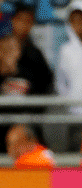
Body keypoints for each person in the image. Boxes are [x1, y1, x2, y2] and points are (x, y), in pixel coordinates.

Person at [56, 0, 82, 152]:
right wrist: (69, 101)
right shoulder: (65, 51)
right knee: (75, 158)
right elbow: (60, 82)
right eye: (75, 21)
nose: (78, 25)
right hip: (74, 115)